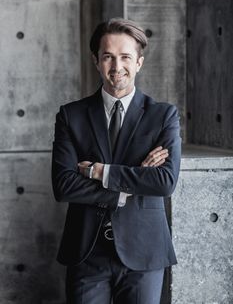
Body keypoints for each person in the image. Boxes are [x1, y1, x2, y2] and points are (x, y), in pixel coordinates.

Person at [52, 18, 181, 304]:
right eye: (108, 57)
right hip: (86, 251)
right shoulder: (70, 116)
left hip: (144, 253)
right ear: (96, 60)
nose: (116, 66)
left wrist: (99, 171)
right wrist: (131, 184)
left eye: (125, 57)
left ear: (139, 62)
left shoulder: (164, 116)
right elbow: (63, 185)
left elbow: (164, 182)